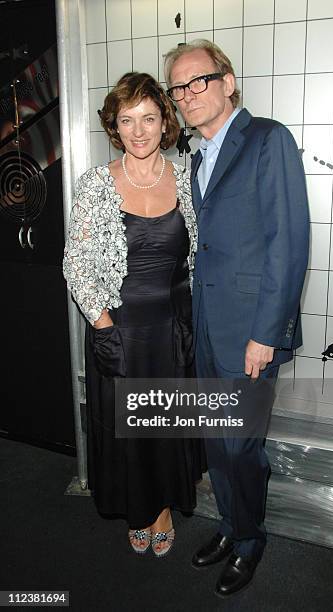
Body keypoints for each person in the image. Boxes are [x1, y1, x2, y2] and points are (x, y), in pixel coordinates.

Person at [165, 41, 309, 595]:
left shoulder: (267, 140)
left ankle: (250, 541)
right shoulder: (198, 155)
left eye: (198, 81)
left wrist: (265, 335)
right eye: (179, 88)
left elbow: (287, 244)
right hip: (207, 328)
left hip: (249, 333)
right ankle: (229, 525)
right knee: (216, 441)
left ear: (228, 82)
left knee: (241, 445)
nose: (187, 95)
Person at [63, 72, 205, 558]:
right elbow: (77, 263)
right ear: (114, 127)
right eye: (128, 120)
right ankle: (137, 509)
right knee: (129, 430)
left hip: (171, 331)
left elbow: (203, 254)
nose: (139, 131)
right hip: (118, 329)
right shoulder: (96, 185)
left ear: (166, 121)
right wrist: (103, 328)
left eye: (149, 118)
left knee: (166, 426)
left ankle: (162, 507)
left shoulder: (187, 179)